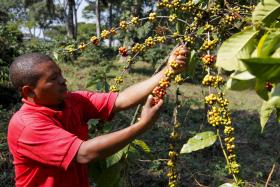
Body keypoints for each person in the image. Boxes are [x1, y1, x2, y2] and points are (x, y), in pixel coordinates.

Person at [7, 45, 188, 187]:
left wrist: (169, 69)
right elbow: (85, 153)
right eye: (53, 79)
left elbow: (122, 99)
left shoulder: (74, 100)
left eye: (60, 74)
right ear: (29, 91)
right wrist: (142, 125)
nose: (63, 80)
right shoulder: (26, 126)